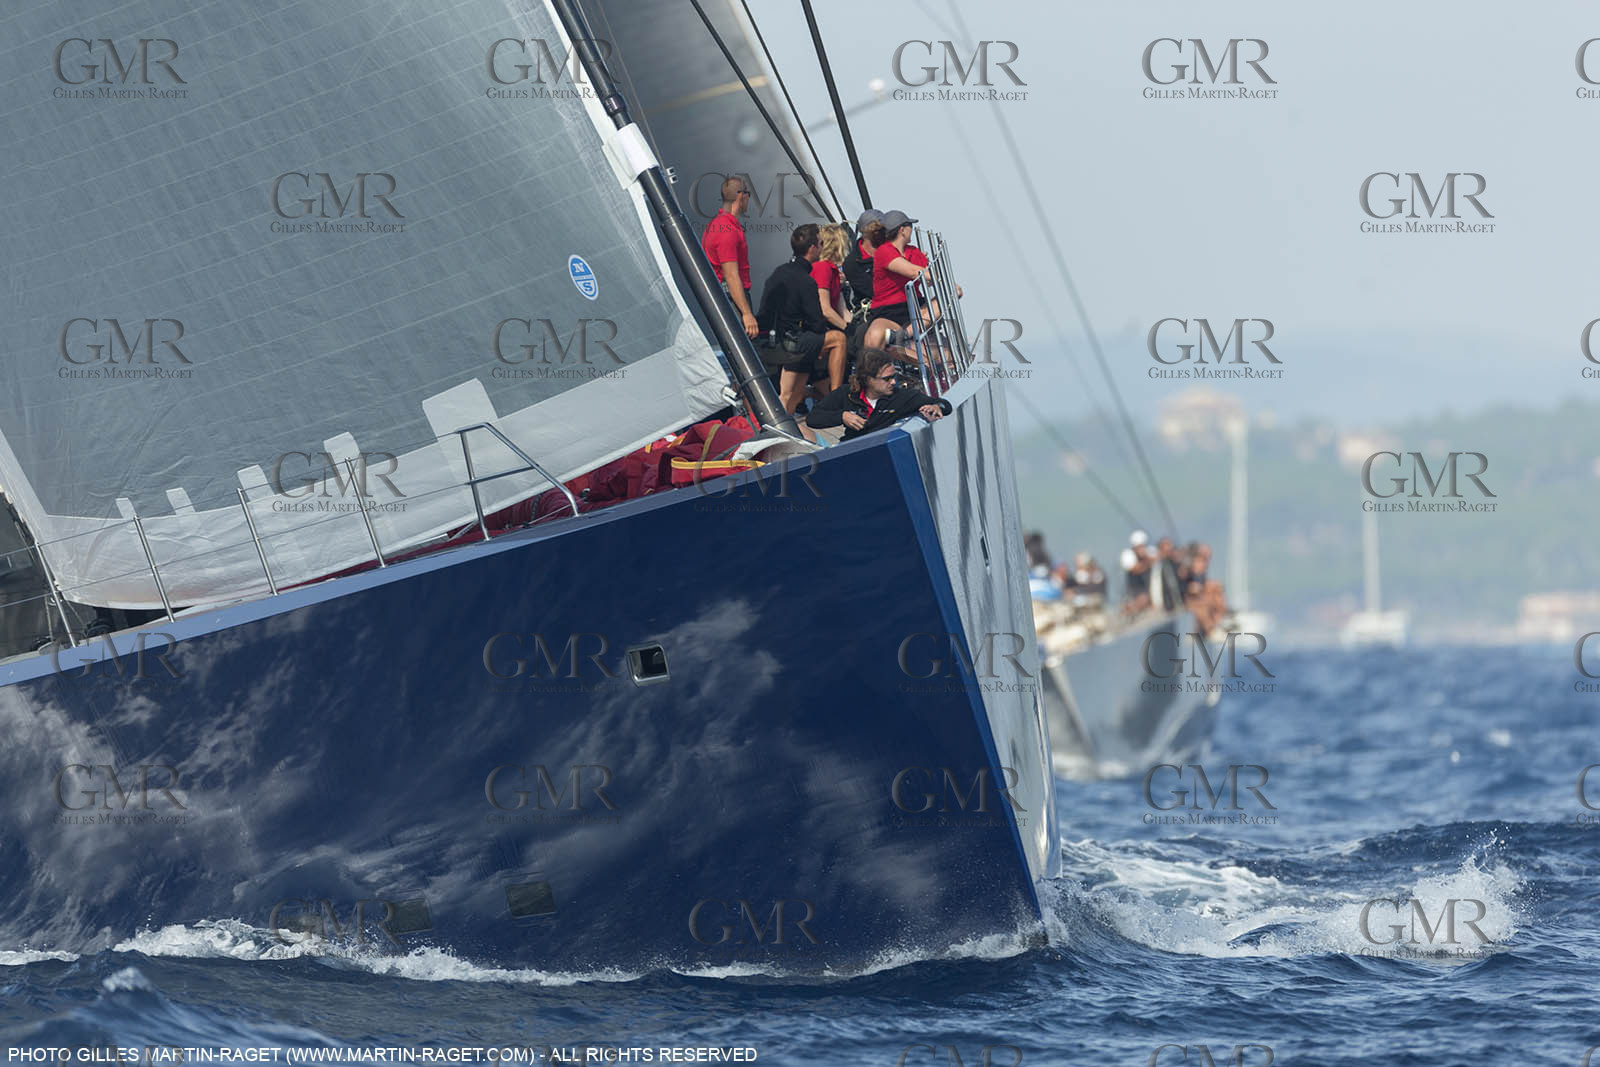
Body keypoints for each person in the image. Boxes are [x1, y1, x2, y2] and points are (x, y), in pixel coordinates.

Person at [753, 224, 847, 417]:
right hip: (792, 345)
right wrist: (820, 345)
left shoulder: (779, 272)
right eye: (821, 243)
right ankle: (837, 399)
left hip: (772, 342)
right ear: (813, 248)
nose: (822, 247)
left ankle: (780, 426)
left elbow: (766, 311)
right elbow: (817, 323)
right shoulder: (806, 281)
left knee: (790, 395)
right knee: (839, 339)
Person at [806, 347, 950, 441]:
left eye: (894, 376)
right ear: (868, 379)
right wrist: (842, 416)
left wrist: (937, 406)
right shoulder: (846, 393)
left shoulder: (902, 397)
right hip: (851, 450)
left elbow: (944, 404)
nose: (893, 382)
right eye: (887, 379)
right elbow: (812, 418)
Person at [863, 210, 930, 355]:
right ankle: (904, 338)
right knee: (873, 338)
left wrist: (930, 273)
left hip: (913, 307)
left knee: (952, 293)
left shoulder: (914, 252)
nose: (912, 230)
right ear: (903, 230)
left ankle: (904, 335)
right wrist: (928, 273)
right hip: (889, 311)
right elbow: (912, 271)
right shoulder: (884, 251)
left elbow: (930, 278)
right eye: (910, 226)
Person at [700, 176, 757, 338]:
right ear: (740, 195)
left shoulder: (717, 224)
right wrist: (746, 313)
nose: (748, 199)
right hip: (733, 298)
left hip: (727, 296)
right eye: (748, 194)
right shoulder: (727, 231)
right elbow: (731, 276)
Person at [812, 224, 854, 392]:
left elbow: (841, 308)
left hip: (826, 326)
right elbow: (826, 310)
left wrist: (854, 328)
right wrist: (848, 330)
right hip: (817, 330)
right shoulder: (822, 268)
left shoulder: (832, 270)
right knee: (846, 341)